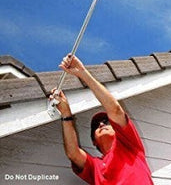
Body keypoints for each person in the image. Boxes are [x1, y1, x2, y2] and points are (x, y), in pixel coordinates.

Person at [50, 54, 153, 185]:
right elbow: (73, 153)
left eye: (106, 122)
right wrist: (66, 113)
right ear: (94, 142)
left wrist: (83, 73)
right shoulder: (95, 167)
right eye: (96, 127)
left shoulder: (130, 145)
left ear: (117, 131)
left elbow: (115, 109)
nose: (101, 124)